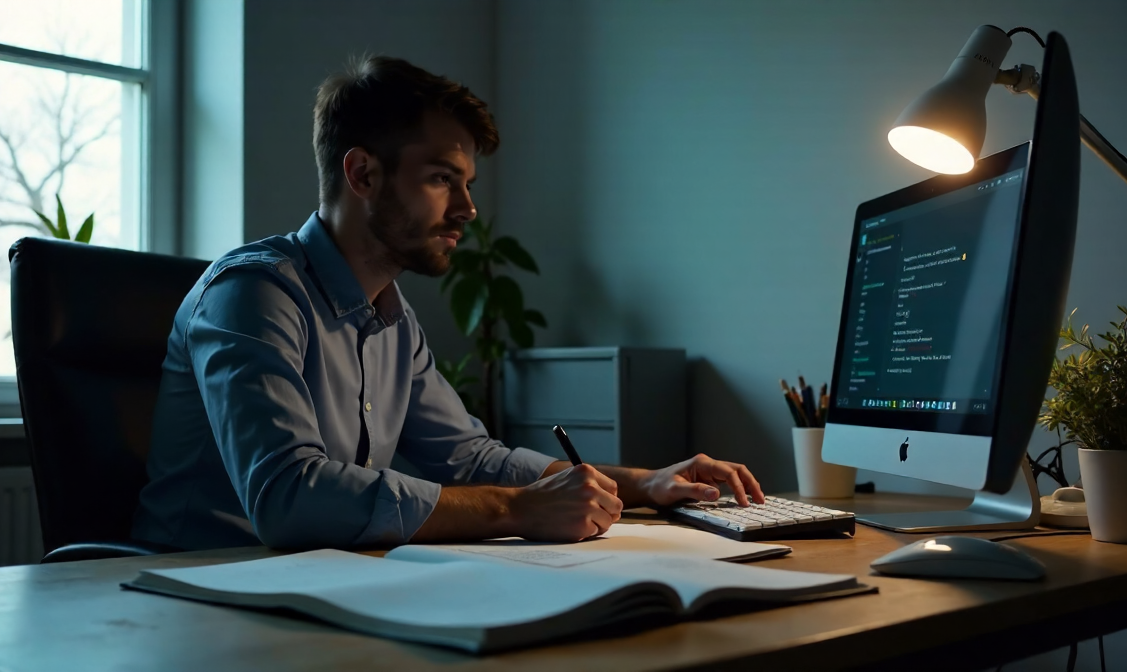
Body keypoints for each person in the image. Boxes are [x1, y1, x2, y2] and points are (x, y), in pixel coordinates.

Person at [131, 55, 765, 551]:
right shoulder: (254, 294)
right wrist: (515, 510)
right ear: (363, 175)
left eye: (466, 183)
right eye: (441, 178)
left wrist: (644, 485)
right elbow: (288, 497)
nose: (466, 209)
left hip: (316, 587)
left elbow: (472, 458)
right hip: (195, 592)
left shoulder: (393, 319)